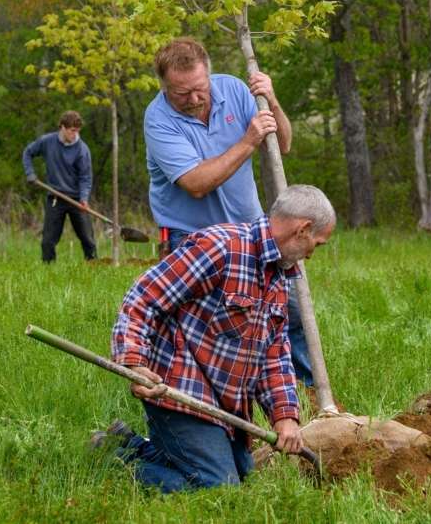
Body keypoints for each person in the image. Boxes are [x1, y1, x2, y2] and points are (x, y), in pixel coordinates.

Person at [96, 185, 336, 493]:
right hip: (177, 389)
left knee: (244, 477)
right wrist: (133, 362)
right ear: (302, 230)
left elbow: (274, 355)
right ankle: (115, 460)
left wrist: (284, 416)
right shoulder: (221, 247)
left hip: (224, 406)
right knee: (219, 488)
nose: (312, 254)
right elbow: (143, 297)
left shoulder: (278, 276)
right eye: (317, 243)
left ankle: (125, 443)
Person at [143, 37, 314, 385]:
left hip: (251, 230)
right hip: (193, 238)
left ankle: (308, 394)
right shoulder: (158, 119)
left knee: (288, 311)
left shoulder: (234, 90)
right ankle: (207, 400)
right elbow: (196, 182)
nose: (193, 99)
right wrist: (247, 141)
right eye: (181, 93)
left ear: (209, 74)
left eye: (199, 88)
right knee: (205, 327)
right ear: (164, 87)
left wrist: (273, 101)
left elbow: (282, 144)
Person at [22, 110, 96, 263]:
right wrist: (30, 173)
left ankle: (94, 266)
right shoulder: (47, 142)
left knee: (88, 240)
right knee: (48, 241)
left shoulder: (82, 150)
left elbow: (85, 178)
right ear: (62, 127)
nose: (74, 134)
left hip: (76, 199)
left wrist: (84, 198)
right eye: (72, 130)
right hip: (55, 197)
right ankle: (48, 271)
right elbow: (28, 153)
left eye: (77, 131)